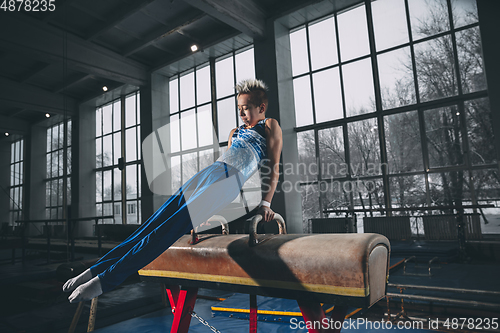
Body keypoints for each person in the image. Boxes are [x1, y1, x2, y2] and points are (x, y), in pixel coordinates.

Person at [63, 78, 283, 303]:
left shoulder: (269, 125)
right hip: (208, 174)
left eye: (245, 109)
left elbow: (274, 169)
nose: (241, 113)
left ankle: (104, 281)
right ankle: (95, 270)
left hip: (229, 181)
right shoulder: (234, 132)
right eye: (239, 109)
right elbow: (224, 161)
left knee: (162, 234)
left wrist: (265, 204)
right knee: (150, 226)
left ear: (261, 108)